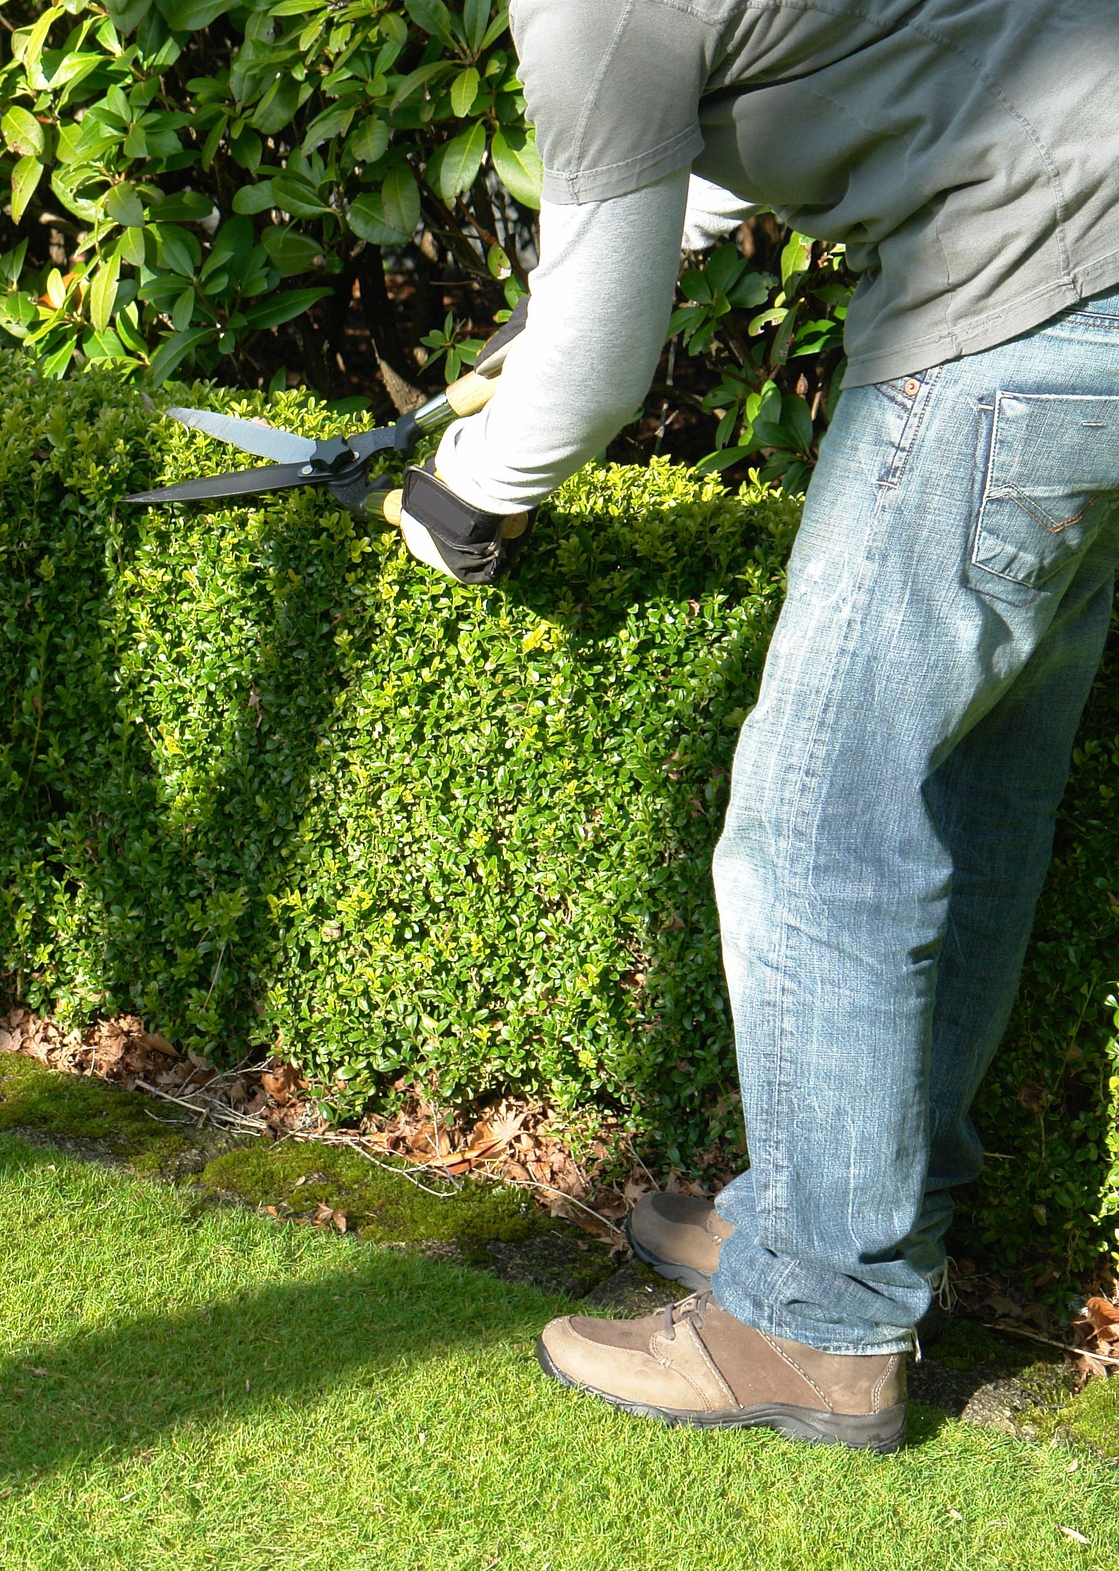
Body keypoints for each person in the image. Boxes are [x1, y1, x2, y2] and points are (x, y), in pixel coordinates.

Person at [388, 0, 1119, 1452]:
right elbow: (738, 121)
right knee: (974, 786)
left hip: (1018, 310)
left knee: (815, 831)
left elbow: (603, 355)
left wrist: (471, 487)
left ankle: (819, 1318)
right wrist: (540, 334)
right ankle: (849, 1214)